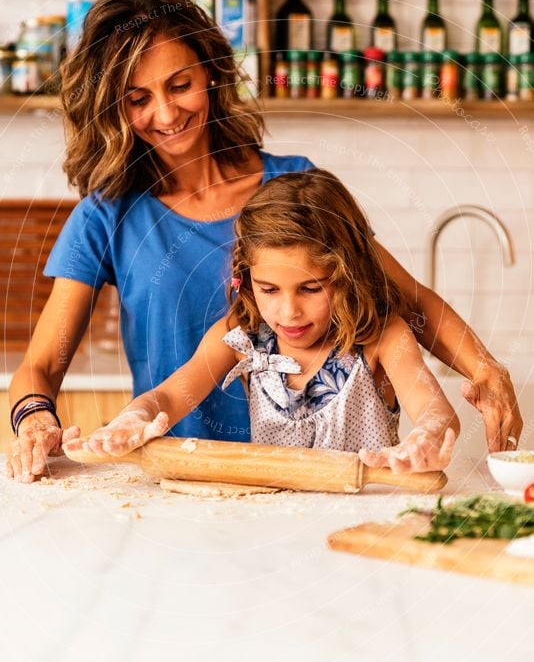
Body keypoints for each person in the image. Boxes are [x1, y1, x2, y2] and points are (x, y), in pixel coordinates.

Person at [6, 0, 521, 484]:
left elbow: (411, 302)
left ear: (211, 72)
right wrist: (34, 420)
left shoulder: (294, 191)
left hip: (310, 486)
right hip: (181, 479)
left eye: (180, 85)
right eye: (137, 98)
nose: (165, 114)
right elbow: (44, 363)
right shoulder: (108, 215)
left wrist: (485, 369)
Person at [65, 169, 459, 473]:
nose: (288, 312)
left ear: (346, 275)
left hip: (363, 524)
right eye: (269, 290)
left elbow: (436, 411)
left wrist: (425, 440)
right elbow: (166, 397)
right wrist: (132, 419)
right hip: (273, 530)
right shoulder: (241, 337)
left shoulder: (383, 338)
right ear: (245, 276)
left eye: (310, 289)